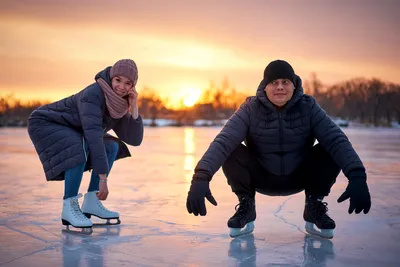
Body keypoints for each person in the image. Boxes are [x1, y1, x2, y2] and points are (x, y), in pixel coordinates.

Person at [186, 59, 371, 238]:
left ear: (294, 85)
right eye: (274, 82)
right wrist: (201, 178)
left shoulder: (309, 106)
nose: (280, 87)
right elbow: (223, 141)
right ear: (265, 86)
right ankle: (246, 205)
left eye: (285, 82)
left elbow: (336, 139)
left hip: (300, 176)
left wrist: (357, 176)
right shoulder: (250, 108)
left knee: (329, 148)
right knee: (231, 149)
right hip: (261, 176)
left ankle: (314, 204)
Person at [27, 59, 144, 234]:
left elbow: (134, 139)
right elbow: (93, 137)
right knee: (78, 146)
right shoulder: (94, 94)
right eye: (118, 80)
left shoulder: (118, 103)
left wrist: (133, 105)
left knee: (111, 146)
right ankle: (69, 206)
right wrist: (103, 179)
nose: (121, 86)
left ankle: (91, 201)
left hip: (74, 128)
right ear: (111, 76)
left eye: (128, 83)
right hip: (45, 122)